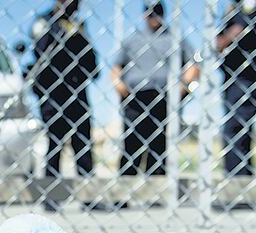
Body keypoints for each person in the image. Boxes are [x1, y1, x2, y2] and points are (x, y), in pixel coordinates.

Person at [113, 2, 199, 177]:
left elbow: (193, 65)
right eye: (150, 13)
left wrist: (182, 88)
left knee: (159, 145)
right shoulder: (133, 39)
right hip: (135, 97)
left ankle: (156, 193)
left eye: (157, 12)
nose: (153, 17)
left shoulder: (174, 39)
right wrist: (118, 84)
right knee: (132, 143)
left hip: (163, 97)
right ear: (144, 15)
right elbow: (116, 66)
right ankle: (123, 192)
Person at [30, 0, 99, 211]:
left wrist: (79, 35)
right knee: (55, 147)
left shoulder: (79, 25)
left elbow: (91, 63)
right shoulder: (44, 22)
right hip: (54, 96)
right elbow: (41, 53)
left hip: (77, 95)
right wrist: (61, 32)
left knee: (83, 146)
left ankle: (88, 197)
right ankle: (52, 198)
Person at [216, 0, 256, 177]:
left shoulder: (253, 2)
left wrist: (219, 43)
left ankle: (237, 181)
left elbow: (240, 28)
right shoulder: (234, 5)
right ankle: (241, 179)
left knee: (235, 127)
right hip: (233, 74)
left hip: (249, 74)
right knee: (238, 128)